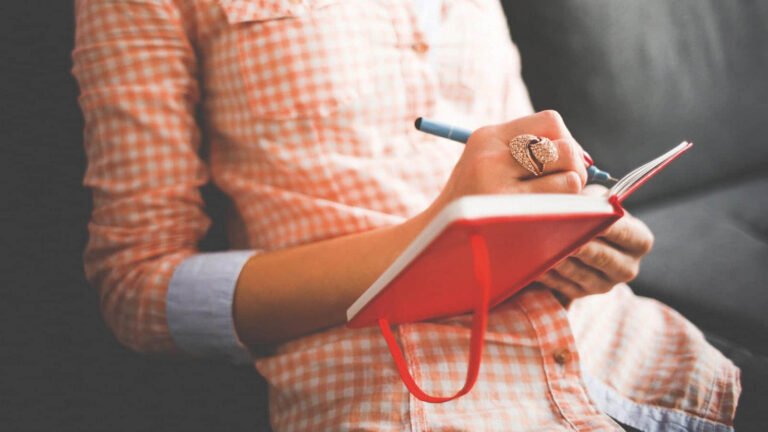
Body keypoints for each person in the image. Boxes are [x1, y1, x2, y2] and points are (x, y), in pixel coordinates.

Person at [72, 0, 740, 430]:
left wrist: (571, 226)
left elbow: (521, 156)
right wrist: (439, 237)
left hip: (644, 363)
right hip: (414, 397)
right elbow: (137, 290)